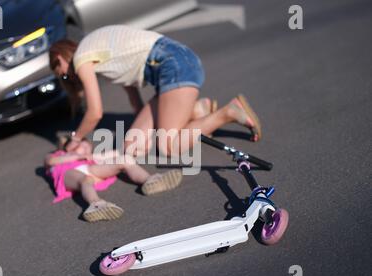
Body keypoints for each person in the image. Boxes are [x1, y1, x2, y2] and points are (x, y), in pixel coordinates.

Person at [49, 25, 261, 157]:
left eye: (64, 75)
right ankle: (197, 110)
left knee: (169, 146)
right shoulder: (94, 47)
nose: (69, 78)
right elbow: (132, 95)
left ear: (59, 57)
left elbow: (95, 112)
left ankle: (228, 112)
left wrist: (76, 139)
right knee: (133, 145)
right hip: (175, 63)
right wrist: (145, 129)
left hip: (174, 67)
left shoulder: (81, 60)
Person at [44, 139, 183, 222]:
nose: (86, 147)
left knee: (124, 160)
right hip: (68, 175)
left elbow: (117, 153)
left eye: (87, 145)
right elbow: (50, 161)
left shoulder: (91, 157)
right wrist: (77, 156)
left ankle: (150, 180)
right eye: (81, 144)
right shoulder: (58, 155)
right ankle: (97, 205)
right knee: (85, 179)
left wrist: (133, 149)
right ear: (67, 146)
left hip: (91, 169)